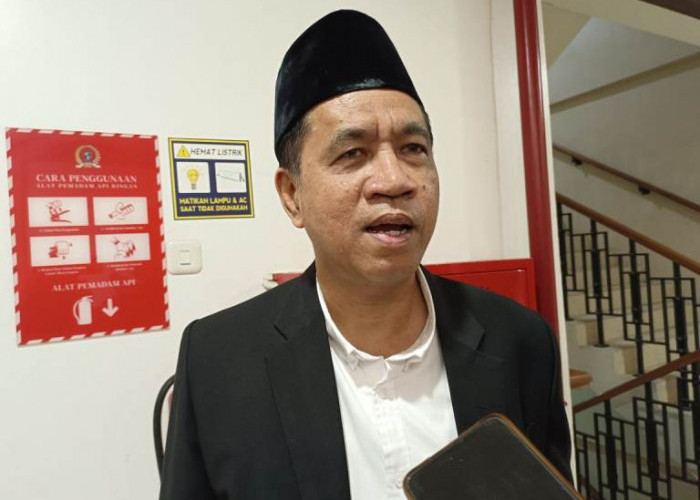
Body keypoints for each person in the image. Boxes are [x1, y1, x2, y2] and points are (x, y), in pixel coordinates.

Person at [159, 10, 571, 500]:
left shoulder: (521, 341)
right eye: (352, 153)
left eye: (413, 148)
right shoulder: (218, 360)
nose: (394, 181)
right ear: (292, 195)